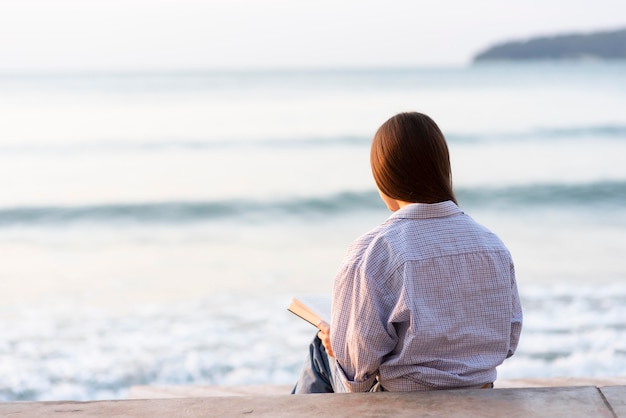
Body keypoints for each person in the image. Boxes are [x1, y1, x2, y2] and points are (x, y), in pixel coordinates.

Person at [292, 111, 522, 393]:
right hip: (480, 394)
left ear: (384, 177)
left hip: (403, 404)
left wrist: (336, 346)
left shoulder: (372, 252)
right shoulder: (493, 246)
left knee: (321, 350)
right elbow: (508, 341)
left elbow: (356, 378)